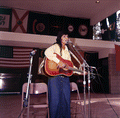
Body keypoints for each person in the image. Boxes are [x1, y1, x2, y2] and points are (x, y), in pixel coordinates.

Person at [44, 31, 82, 118]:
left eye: (67, 36)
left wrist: (79, 71)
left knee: (66, 101)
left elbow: (70, 65)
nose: (66, 38)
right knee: (55, 101)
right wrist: (58, 61)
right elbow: (47, 52)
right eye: (64, 36)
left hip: (65, 78)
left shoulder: (68, 51)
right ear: (60, 37)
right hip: (54, 77)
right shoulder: (55, 46)